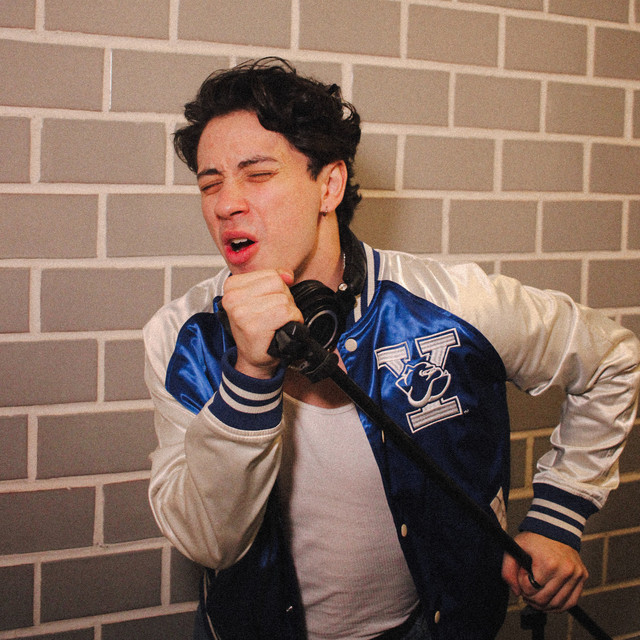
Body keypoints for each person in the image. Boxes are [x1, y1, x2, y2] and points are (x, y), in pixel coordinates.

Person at [143, 57, 640, 640]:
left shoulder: (452, 303)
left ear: (329, 184)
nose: (226, 203)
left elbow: (613, 361)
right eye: (210, 183)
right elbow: (209, 542)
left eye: (257, 175)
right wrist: (250, 373)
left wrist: (558, 518)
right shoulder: (181, 337)